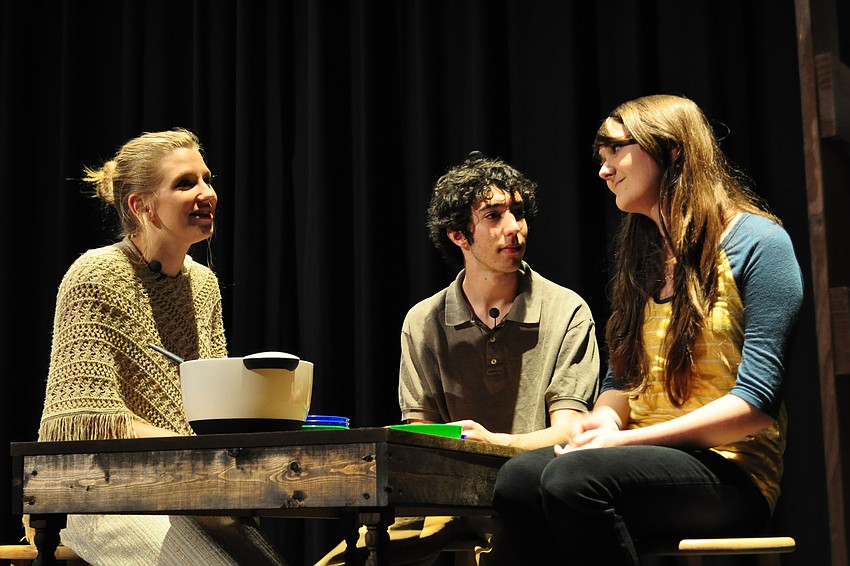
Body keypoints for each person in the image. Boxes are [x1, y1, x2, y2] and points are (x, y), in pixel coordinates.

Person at [490, 94, 805, 565]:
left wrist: (623, 440)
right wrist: (606, 422)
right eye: (602, 157)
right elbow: (623, 380)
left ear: (672, 149)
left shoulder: (760, 244)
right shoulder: (643, 258)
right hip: (636, 459)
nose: (605, 169)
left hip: (732, 475)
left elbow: (756, 405)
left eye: (616, 150)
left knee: (573, 480)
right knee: (516, 481)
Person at [316, 151, 600, 565]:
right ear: (457, 235)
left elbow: (570, 433)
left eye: (518, 213)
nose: (514, 228)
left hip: (530, 494)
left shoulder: (566, 311)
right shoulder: (424, 321)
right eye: (493, 215)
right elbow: (422, 434)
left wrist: (496, 444)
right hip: (445, 497)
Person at [29, 128, 287, 565]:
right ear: (141, 205)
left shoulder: (203, 286)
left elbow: (209, 406)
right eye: (186, 183)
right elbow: (86, 419)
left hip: (182, 486)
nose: (207, 193)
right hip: (93, 488)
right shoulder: (96, 274)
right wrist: (195, 448)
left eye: (207, 178)